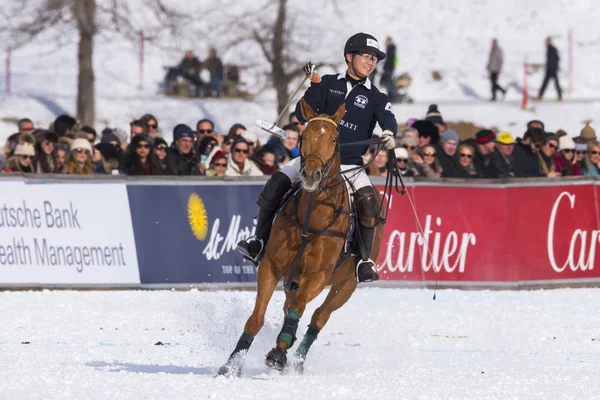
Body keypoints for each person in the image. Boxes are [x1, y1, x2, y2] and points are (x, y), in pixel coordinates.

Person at [237, 32, 398, 283]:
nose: (371, 62)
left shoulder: (377, 96)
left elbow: (388, 118)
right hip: (314, 158)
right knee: (278, 181)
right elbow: (302, 114)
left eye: (374, 59)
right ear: (349, 56)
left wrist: (389, 132)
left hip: (349, 164)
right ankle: (258, 240)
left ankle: (364, 260)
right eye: (366, 56)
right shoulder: (327, 83)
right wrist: (313, 84)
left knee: (368, 201)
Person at [536, 37, 563, 102]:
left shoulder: (552, 49)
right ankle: (540, 96)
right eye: (546, 41)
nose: (546, 42)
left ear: (550, 41)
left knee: (556, 84)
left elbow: (557, 58)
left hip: (553, 69)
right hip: (549, 69)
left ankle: (560, 97)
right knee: (545, 83)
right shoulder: (548, 49)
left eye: (547, 41)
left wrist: (554, 66)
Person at [380, 36, 397, 102]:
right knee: (388, 83)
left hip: (389, 68)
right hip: (387, 68)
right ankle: (390, 97)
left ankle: (392, 98)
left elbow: (390, 59)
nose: (386, 42)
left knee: (390, 83)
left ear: (390, 41)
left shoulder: (391, 48)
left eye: (387, 41)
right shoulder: (389, 48)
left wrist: (386, 67)